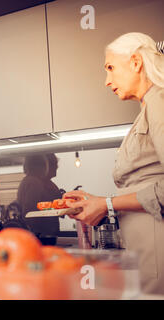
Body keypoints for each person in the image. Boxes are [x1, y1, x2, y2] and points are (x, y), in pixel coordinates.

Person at [65, 33, 164, 294]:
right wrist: (97, 202)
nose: (107, 81)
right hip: (148, 253)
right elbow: (147, 185)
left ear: (135, 63)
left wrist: (106, 204)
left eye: (110, 68)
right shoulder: (148, 109)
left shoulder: (160, 102)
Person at [17, 153, 62, 244]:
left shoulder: (28, 181)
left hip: (41, 235)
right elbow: (30, 212)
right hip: (42, 236)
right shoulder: (34, 182)